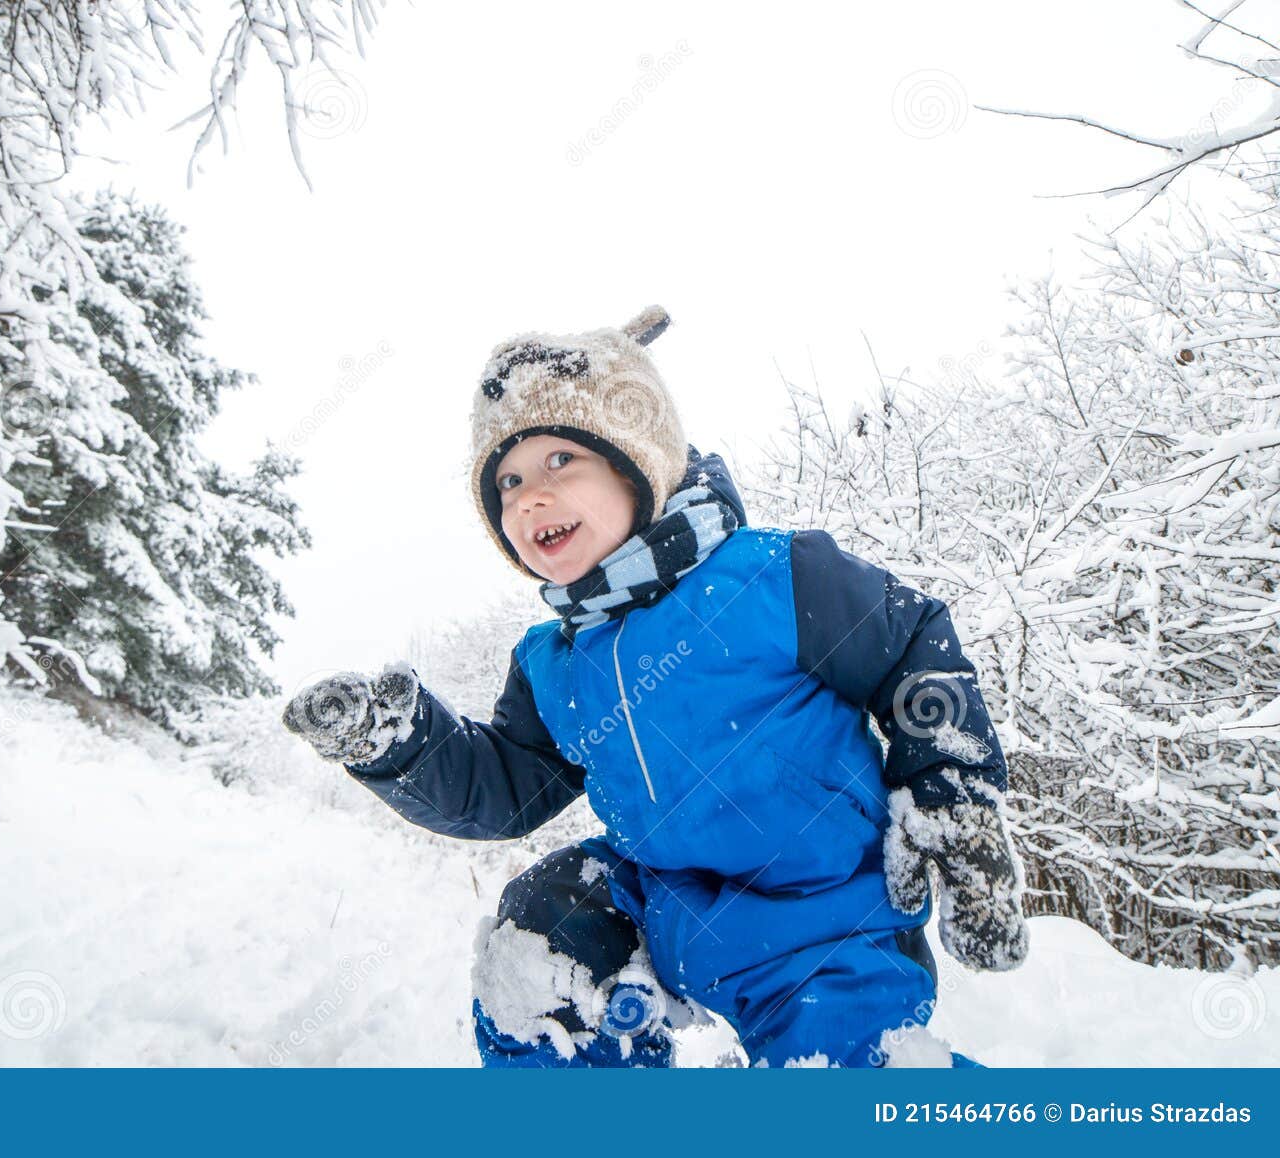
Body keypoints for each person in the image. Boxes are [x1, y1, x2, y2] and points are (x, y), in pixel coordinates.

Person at [282, 305, 1028, 1068]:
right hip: (661, 909)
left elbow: (910, 643)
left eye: (559, 462)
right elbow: (507, 786)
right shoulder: (555, 660)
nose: (527, 497)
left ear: (639, 462)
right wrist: (398, 747)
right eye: (505, 481)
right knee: (543, 931)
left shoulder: (769, 578)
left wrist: (950, 794)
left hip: (825, 923)